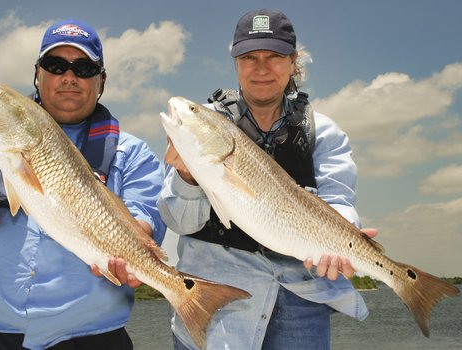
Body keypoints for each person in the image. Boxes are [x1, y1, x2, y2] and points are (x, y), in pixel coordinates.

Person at [0, 19, 166, 350]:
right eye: (56, 65)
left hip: (92, 339)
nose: (69, 77)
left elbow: (145, 225)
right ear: (37, 74)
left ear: (102, 81)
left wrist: (127, 255)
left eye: (83, 68)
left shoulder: (133, 153)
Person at [158, 9, 377, 350]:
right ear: (235, 63)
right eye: (249, 57)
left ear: (293, 61)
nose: (261, 68)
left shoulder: (325, 132)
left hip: (302, 298)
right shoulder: (204, 125)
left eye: (274, 56)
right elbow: (178, 221)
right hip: (218, 298)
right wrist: (187, 175)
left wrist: (345, 237)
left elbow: (339, 204)